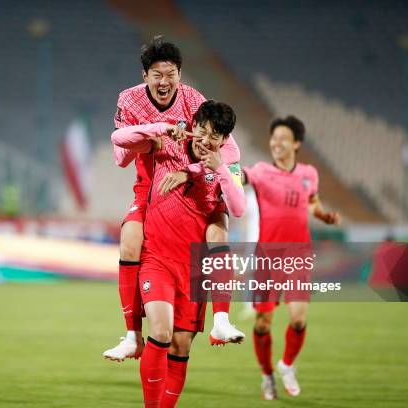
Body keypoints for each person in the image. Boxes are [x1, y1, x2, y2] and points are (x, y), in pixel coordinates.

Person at [104, 36, 244, 362]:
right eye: (157, 74)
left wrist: (194, 170)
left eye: (171, 74)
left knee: (217, 233)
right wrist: (158, 132)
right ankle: (131, 335)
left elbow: (232, 153)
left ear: (180, 74)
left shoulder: (196, 102)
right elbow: (120, 157)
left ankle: (220, 320)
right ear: (145, 77)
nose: (164, 81)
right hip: (151, 186)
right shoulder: (129, 100)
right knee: (129, 240)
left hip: (196, 189)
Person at [112, 100, 246, 407]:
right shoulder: (168, 143)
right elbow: (118, 139)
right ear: (193, 124)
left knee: (181, 347)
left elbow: (238, 208)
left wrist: (216, 170)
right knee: (160, 332)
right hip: (157, 259)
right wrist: (159, 128)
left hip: (192, 269)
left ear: (225, 140)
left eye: (214, 135)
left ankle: (221, 321)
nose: (205, 139)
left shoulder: (226, 164)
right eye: (202, 130)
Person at [242, 116, 340, 399]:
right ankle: (266, 375)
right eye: (274, 138)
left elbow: (313, 202)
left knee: (298, 319)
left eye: (283, 138)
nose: (277, 143)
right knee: (263, 323)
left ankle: (286, 365)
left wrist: (323, 215)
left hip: (298, 255)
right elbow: (242, 176)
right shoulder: (261, 171)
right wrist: (224, 172)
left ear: (296, 143)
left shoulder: (309, 173)